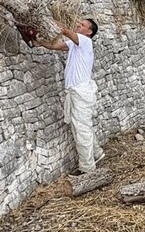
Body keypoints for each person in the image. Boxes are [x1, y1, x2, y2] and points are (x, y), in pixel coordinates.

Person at [33, 18, 104, 174]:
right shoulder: (75, 44)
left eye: (82, 25)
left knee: (81, 130)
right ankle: (97, 154)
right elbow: (53, 46)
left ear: (89, 31)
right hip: (76, 92)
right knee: (83, 127)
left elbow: (64, 30)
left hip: (81, 93)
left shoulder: (85, 41)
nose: (78, 25)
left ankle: (87, 168)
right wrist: (39, 42)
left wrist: (49, 21)